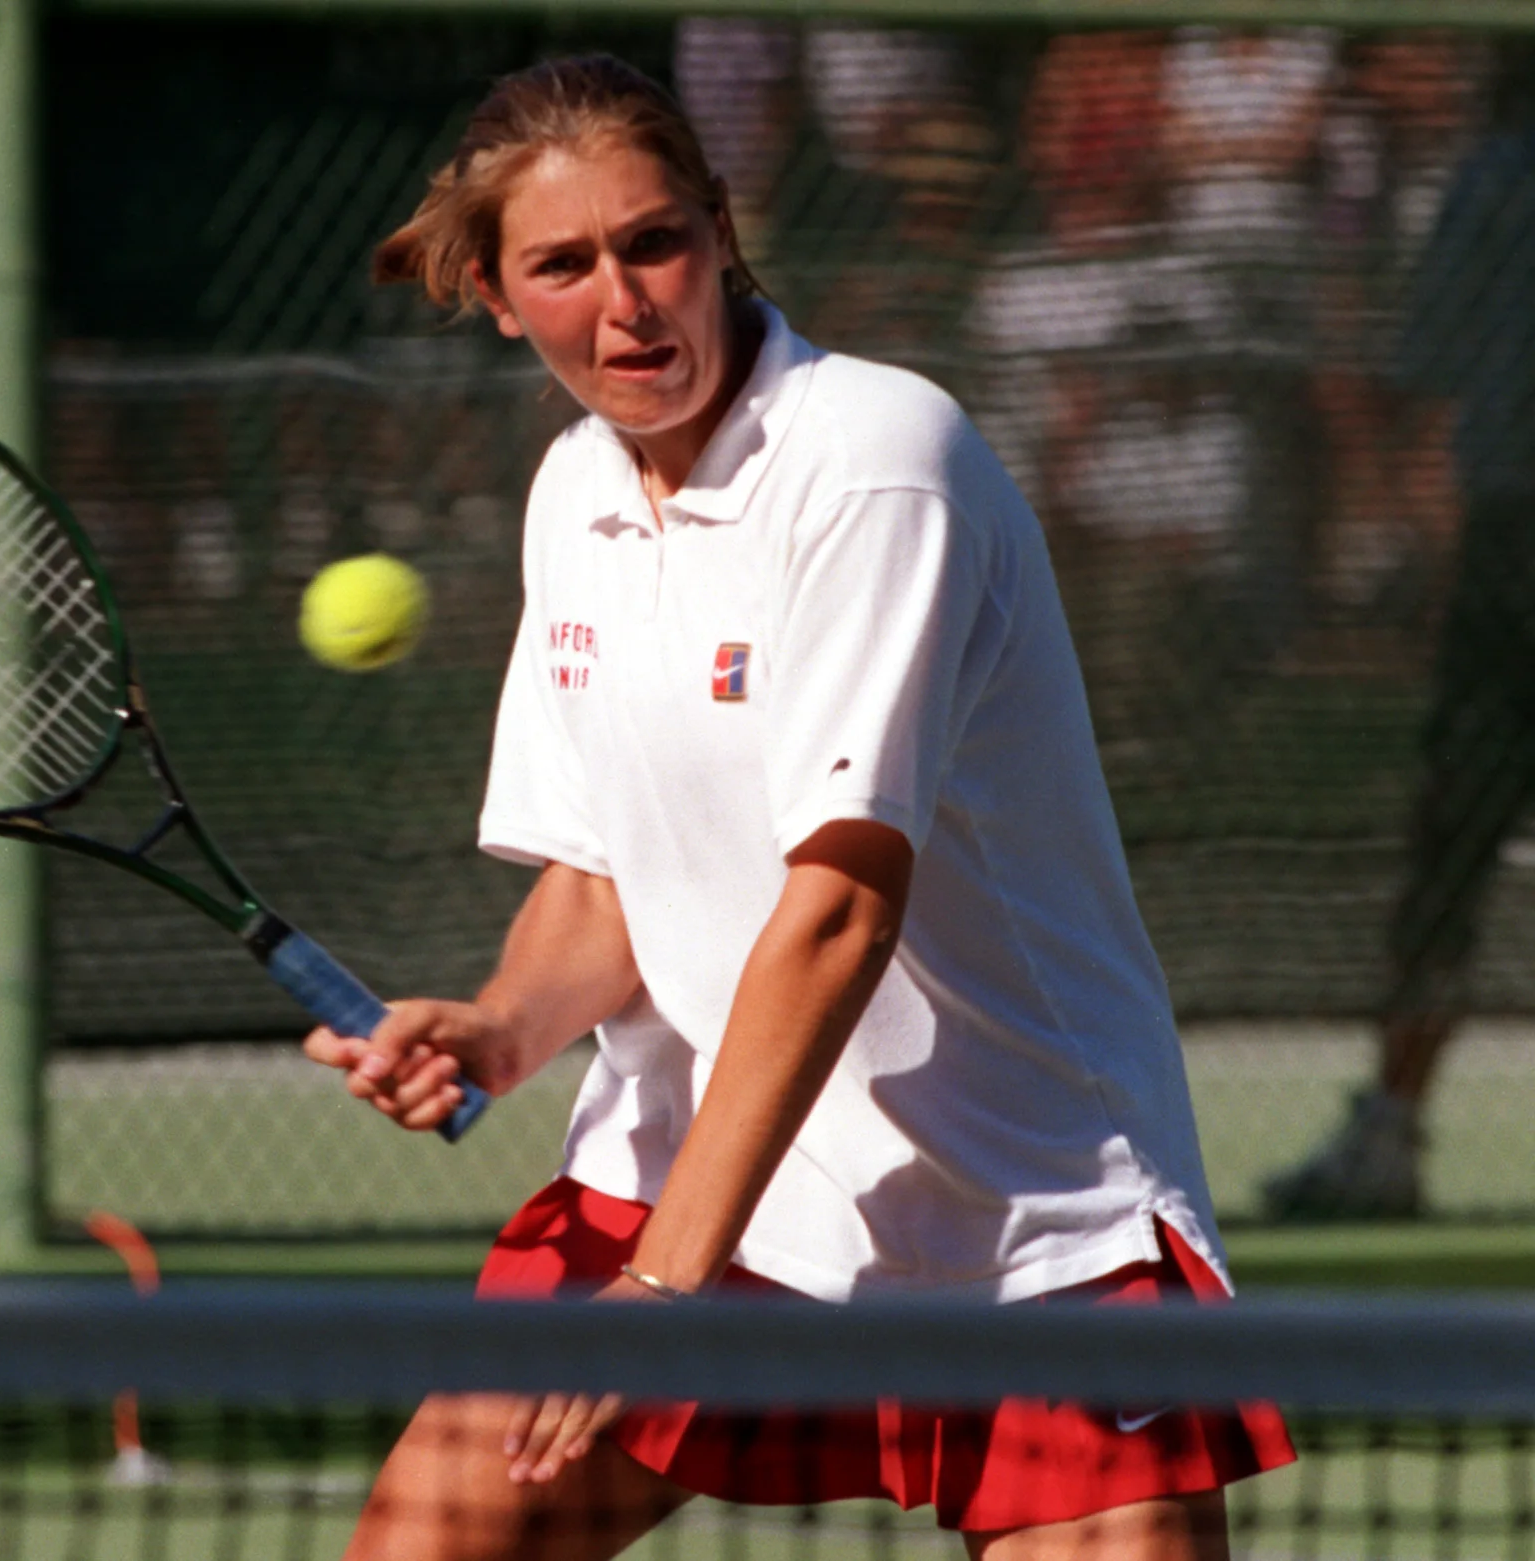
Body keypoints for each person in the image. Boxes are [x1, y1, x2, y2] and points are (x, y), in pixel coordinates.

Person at [303, 54, 1294, 1560]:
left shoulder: (878, 463)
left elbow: (837, 907)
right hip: (697, 1177)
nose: (626, 301)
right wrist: (503, 1025)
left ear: (720, 230)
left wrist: (660, 1292)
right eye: (564, 265)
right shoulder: (574, 492)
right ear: (501, 299)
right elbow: (608, 879)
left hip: (1024, 1218)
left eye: (655, 242)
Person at [1263, 48, 1535, 1222]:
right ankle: (1386, 1132)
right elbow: (1430, 392)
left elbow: (1424, 395)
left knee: (1446, 855)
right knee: (1449, 851)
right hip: (1505, 548)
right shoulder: (1493, 177)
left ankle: (1385, 1130)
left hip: (1498, 549)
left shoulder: (1486, 175)